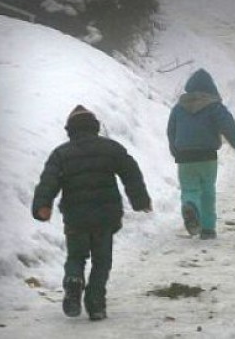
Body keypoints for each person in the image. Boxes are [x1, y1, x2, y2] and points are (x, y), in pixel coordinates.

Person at [32, 105, 152, 321]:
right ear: (95, 127)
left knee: (76, 256)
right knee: (102, 260)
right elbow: (130, 172)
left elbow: (48, 182)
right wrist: (140, 200)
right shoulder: (111, 148)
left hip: (76, 217)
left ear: (70, 130)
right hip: (105, 217)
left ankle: (73, 280)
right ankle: (96, 303)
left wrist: (43, 205)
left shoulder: (61, 154)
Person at [167, 68, 235, 240]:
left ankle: (190, 206)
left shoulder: (178, 108)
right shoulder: (214, 106)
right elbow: (228, 125)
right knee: (207, 191)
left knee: (189, 189)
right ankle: (208, 229)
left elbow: (171, 131)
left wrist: (176, 150)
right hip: (207, 156)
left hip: (185, 157)